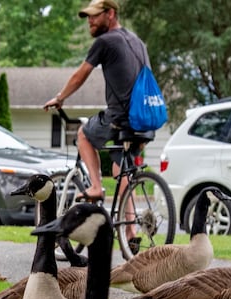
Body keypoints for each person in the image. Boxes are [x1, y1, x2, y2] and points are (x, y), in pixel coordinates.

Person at [44, 0, 153, 244]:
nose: (90, 21)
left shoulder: (105, 42)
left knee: (83, 133)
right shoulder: (138, 42)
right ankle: (130, 233)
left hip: (121, 116)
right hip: (145, 118)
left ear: (111, 14)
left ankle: (95, 186)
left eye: (94, 16)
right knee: (120, 169)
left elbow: (80, 74)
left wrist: (60, 98)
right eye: (88, 17)